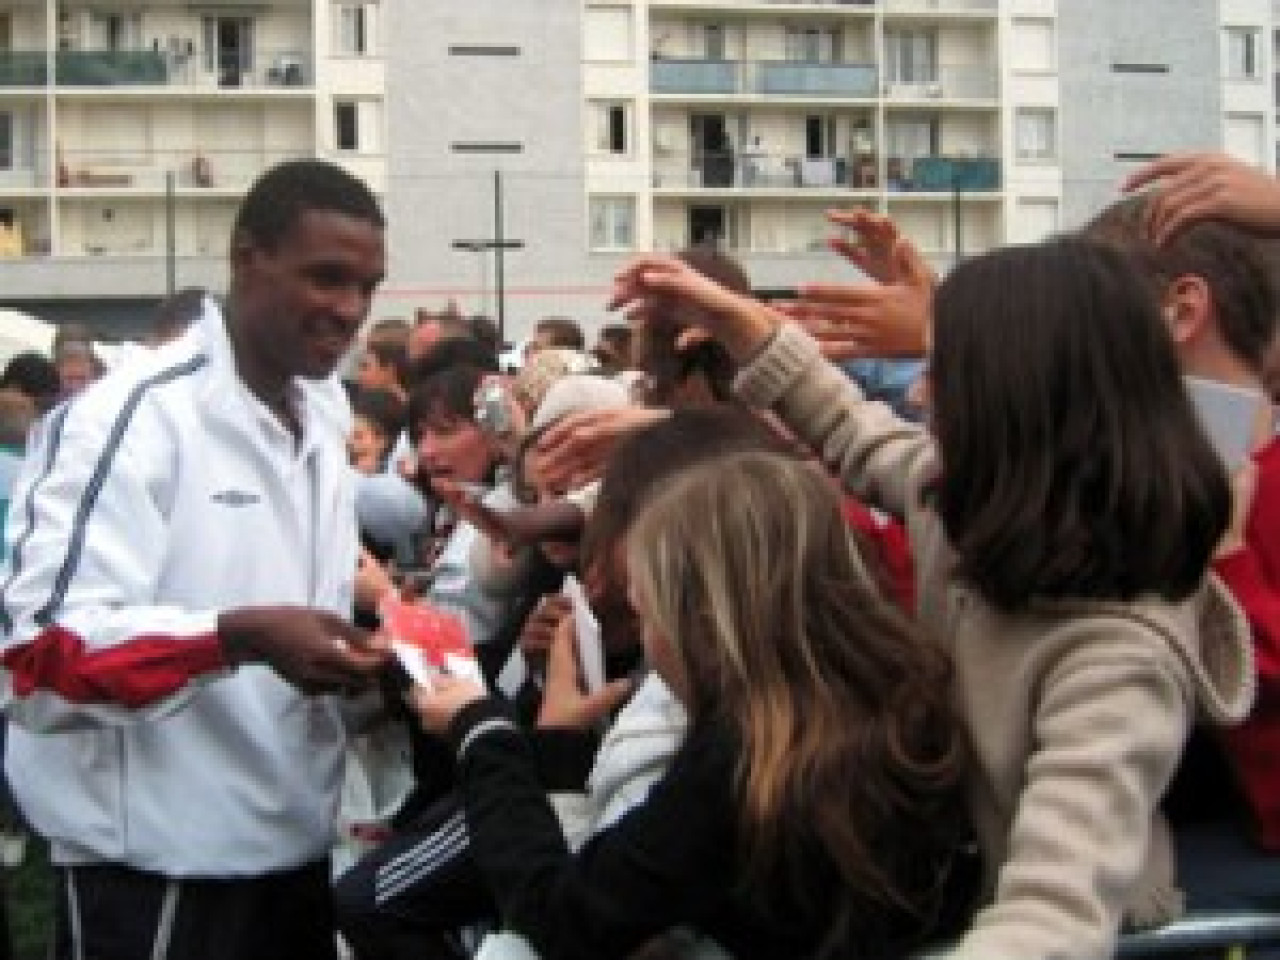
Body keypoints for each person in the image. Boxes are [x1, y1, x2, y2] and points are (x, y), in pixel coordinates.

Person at [607, 235, 1256, 960]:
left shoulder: (1119, 660)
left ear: (1013, 403)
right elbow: (847, 424)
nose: (916, 392)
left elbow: (1053, 919)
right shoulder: (964, 510)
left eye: (941, 373)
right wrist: (735, 322)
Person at [0, 158, 392, 960]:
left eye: (367, 287)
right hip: (155, 873)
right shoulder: (132, 417)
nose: (348, 310)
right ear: (248, 259)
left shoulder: (322, 406)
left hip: (295, 853)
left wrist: (371, 665)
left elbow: (289, 611)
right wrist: (239, 637)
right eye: (325, 278)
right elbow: (39, 660)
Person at [411, 451, 965, 960]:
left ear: (704, 625)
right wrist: (560, 746)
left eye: (648, 616)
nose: (647, 641)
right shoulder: (898, 698)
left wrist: (480, 729)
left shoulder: (743, 761)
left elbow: (565, 918)